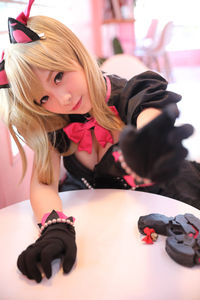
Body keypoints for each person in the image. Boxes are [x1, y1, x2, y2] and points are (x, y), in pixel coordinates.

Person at [0, 0, 199, 283]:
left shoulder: (131, 93)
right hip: (105, 227)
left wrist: (149, 142)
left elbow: (148, 116)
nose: (63, 100)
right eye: (43, 98)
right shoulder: (53, 120)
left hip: (166, 205)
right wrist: (54, 226)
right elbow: (44, 182)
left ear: (75, 53)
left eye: (58, 76)